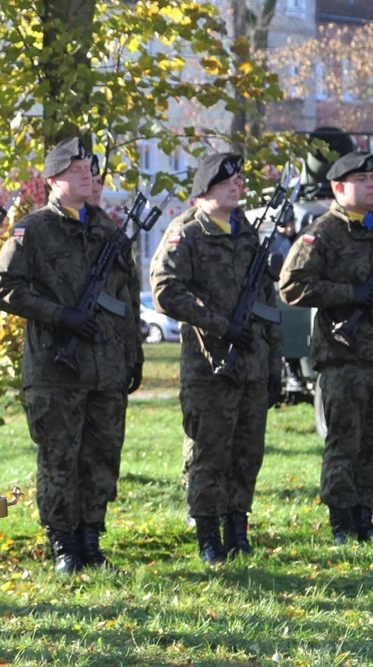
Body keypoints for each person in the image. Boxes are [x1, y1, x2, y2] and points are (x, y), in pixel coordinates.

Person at [0, 137, 143, 574]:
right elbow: (5, 289)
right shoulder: (33, 230)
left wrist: (134, 356)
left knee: (101, 458)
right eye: (76, 169)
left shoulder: (110, 230)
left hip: (107, 366)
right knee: (59, 460)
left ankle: (92, 541)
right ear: (53, 179)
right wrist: (61, 316)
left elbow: (127, 297)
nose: (87, 175)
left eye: (90, 169)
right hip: (56, 367)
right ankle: (63, 546)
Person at [150, 153, 282, 563]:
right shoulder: (186, 232)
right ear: (205, 189)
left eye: (240, 180)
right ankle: (208, 535)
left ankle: (237, 529)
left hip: (253, 364)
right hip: (210, 365)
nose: (237, 186)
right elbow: (165, 290)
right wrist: (220, 325)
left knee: (247, 453)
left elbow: (267, 302)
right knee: (210, 451)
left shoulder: (248, 234)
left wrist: (275, 362)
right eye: (227, 182)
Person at [279, 150, 373, 545]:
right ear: (339, 187)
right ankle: (342, 522)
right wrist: (350, 294)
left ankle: (365, 518)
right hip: (342, 357)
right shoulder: (322, 232)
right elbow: (291, 284)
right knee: (344, 443)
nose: (372, 184)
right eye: (363, 179)